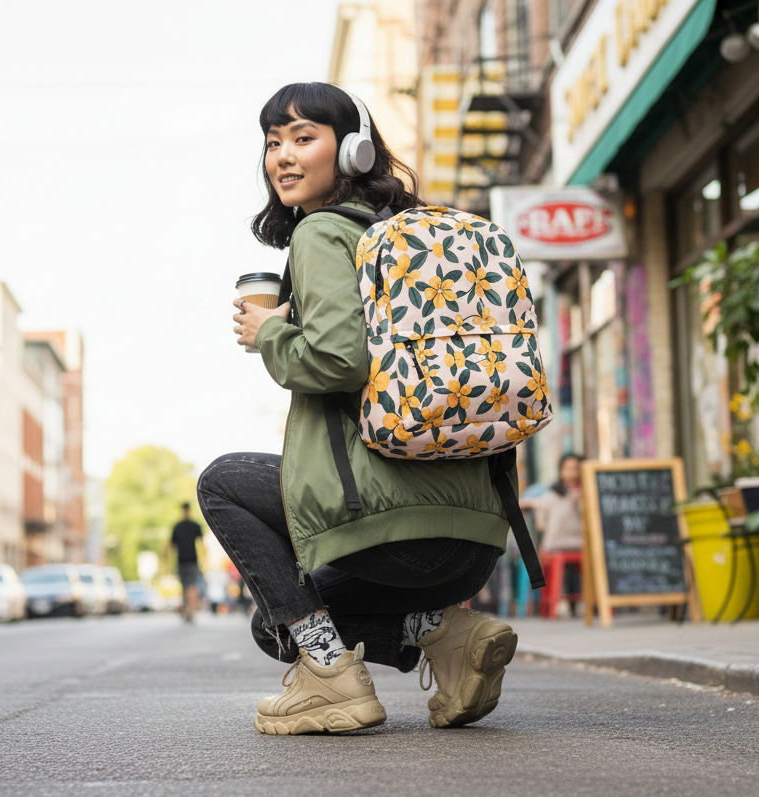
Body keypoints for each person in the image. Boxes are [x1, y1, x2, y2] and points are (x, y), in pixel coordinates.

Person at [198, 83, 519, 736]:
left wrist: (270, 336)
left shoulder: (319, 232)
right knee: (271, 623)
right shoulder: (401, 239)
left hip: (391, 534)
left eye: (303, 136)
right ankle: (445, 632)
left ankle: (330, 677)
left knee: (221, 482)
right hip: (474, 540)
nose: (283, 155)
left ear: (353, 150)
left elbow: (340, 361)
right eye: (272, 142)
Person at [536, 454, 584, 615]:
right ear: (561, 471)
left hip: (578, 543)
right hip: (556, 544)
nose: (571, 473)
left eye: (575, 469)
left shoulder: (583, 492)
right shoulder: (552, 494)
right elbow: (541, 523)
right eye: (568, 469)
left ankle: (579, 604)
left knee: (578, 570)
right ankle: (554, 606)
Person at [167, 503, 203, 622]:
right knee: (191, 586)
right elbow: (202, 543)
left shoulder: (177, 526)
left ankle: (188, 609)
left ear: (182, 511)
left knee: (186, 586)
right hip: (192, 560)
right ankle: (190, 610)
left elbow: (170, 545)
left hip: (182, 561)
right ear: (189, 510)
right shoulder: (195, 525)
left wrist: (166, 557)